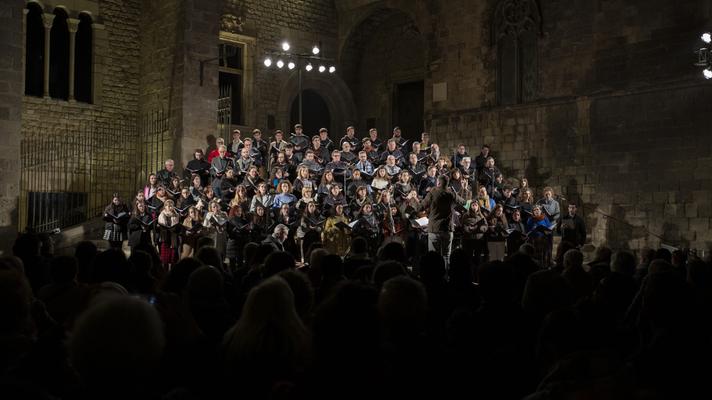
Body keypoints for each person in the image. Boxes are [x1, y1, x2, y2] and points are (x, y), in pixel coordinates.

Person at [418, 175, 465, 267]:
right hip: (447, 229)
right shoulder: (451, 193)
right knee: (446, 256)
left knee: (433, 257)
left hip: (434, 229)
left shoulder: (433, 192)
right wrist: (456, 192)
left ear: (438, 182)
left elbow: (421, 206)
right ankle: (445, 277)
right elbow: (463, 202)